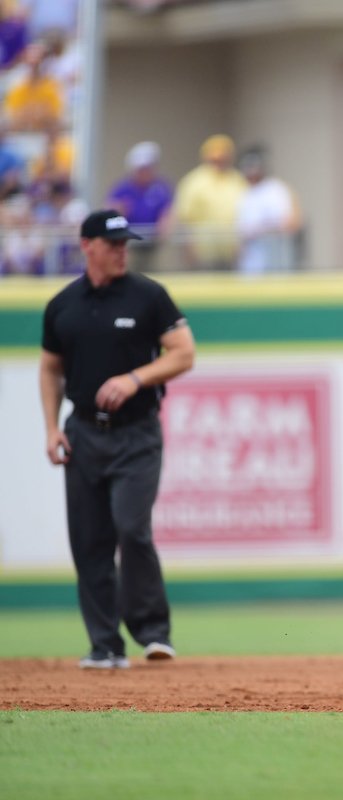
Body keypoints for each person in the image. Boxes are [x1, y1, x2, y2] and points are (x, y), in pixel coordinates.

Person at [39, 209, 196, 669]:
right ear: (87, 246)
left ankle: (152, 631)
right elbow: (50, 369)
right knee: (89, 539)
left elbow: (184, 353)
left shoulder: (148, 295)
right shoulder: (63, 305)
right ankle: (105, 644)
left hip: (137, 432)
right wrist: (51, 427)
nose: (121, 251)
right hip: (83, 432)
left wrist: (134, 378)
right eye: (112, 245)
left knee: (131, 526)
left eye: (125, 244)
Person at [170, 134, 247, 271]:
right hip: (203, 252)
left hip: (232, 250)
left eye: (223, 158)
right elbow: (184, 218)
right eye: (215, 158)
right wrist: (189, 251)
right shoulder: (194, 181)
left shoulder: (238, 180)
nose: (219, 162)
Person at [106, 141, 174, 272]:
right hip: (129, 243)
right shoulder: (123, 189)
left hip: (153, 243)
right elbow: (110, 213)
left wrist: (165, 227)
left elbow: (167, 212)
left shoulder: (160, 188)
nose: (146, 172)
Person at [235, 144, 301, 274]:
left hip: (273, 256)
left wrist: (260, 230)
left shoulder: (274, 190)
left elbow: (289, 223)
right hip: (251, 259)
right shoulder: (245, 193)